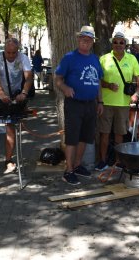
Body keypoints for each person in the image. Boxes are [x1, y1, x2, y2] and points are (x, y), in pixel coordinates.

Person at [55, 25, 104, 185]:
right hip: (74, 104)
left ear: (92, 42)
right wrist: (65, 88)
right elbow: (57, 79)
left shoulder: (95, 59)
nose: (86, 42)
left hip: (91, 104)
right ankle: (68, 171)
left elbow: (98, 82)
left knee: (85, 137)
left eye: (89, 40)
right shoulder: (69, 57)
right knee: (72, 139)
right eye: (83, 39)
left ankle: (77, 165)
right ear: (78, 39)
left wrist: (100, 101)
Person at [0, 38, 34, 174]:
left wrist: (24, 93)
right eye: (8, 52)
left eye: (14, 53)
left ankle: (8, 159)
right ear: (4, 50)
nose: (11, 55)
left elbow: (29, 77)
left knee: (10, 127)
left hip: (14, 95)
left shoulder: (23, 58)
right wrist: (1, 93)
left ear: (17, 51)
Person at [96, 32, 139, 171]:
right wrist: (108, 85)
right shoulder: (104, 58)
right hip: (106, 102)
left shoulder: (132, 58)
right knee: (104, 133)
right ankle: (103, 161)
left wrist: (137, 93)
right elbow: (97, 79)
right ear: (112, 44)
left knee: (119, 134)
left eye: (121, 42)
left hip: (123, 103)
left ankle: (118, 161)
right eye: (115, 42)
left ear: (125, 45)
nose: (118, 45)